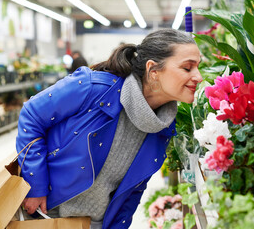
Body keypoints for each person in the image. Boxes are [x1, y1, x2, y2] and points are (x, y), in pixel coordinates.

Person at [16, 28, 202, 229]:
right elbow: (31, 115)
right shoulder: (93, 88)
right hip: (43, 215)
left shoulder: (161, 128)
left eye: (198, 67)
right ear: (153, 71)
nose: (198, 77)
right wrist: (36, 186)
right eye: (187, 68)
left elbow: (131, 193)